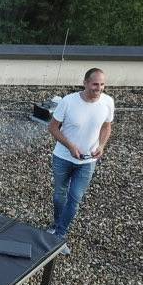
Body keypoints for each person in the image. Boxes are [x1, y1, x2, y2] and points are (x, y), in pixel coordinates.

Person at [48, 68, 115, 254]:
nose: (99, 88)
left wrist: (101, 145)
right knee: (59, 195)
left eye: (102, 84)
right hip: (63, 157)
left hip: (87, 162)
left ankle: (59, 235)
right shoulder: (68, 102)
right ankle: (56, 223)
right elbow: (53, 128)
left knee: (75, 198)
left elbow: (106, 127)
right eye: (95, 84)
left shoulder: (108, 102)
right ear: (85, 83)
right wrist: (70, 146)